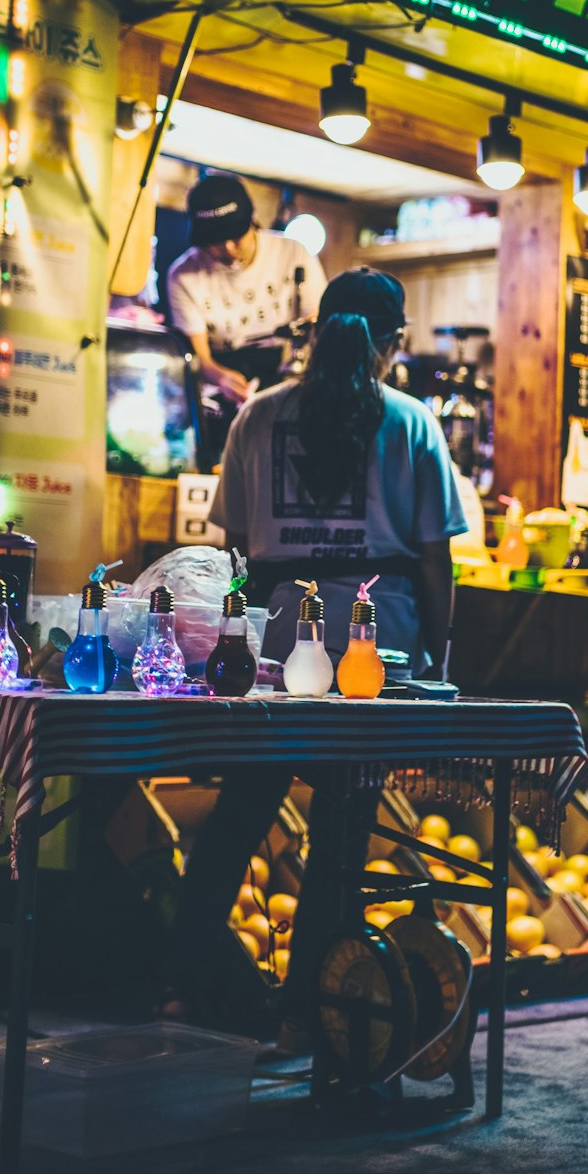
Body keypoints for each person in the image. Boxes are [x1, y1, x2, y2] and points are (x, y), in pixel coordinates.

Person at [162, 267, 467, 1043]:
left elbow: (233, 550)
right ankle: (310, 1013)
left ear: (315, 329)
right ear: (392, 344)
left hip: (271, 645)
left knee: (238, 819)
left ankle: (196, 987)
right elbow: (435, 561)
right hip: (375, 651)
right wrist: (437, 661)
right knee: (339, 837)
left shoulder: (257, 418)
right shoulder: (409, 423)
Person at [166, 171, 326, 406]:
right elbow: (201, 359)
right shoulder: (183, 275)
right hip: (223, 394)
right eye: (217, 242)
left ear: (253, 220)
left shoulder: (293, 252)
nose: (228, 249)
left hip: (288, 381)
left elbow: (318, 323)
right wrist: (223, 378)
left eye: (237, 237)